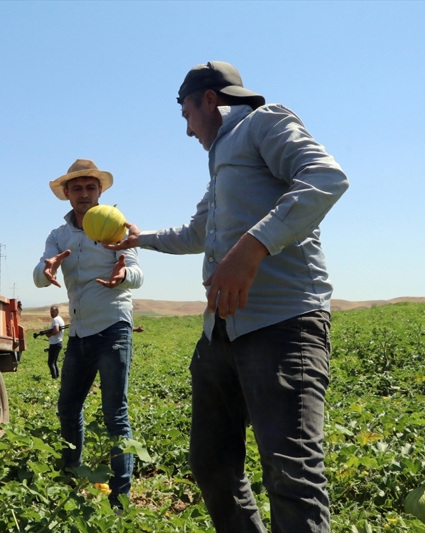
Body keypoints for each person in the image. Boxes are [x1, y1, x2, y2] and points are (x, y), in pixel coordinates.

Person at [105, 61, 349, 531]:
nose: (187, 130)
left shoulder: (265, 121)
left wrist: (253, 247)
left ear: (208, 100)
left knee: (292, 475)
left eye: (185, 115)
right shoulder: (220, 161)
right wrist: (141, 239)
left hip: (284, 325)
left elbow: (326, 177)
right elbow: (199, 230)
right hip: (221, 331)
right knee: (212, 463)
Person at [33, 158, 143, 510]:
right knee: (68, 407)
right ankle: (71, 474)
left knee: (116, 414)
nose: (84, 194)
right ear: (66, 193)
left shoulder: (116, 228)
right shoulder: (58, 236)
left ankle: (121, 497)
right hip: (79, 332)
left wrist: (123, 275)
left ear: (100, 191)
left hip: (113, 327)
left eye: (90, 187)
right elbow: (39, 274)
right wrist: (46, 268)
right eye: (77, 188)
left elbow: (138, 274)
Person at [44, 305, 65, 379]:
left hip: (55, 343)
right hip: (58, 342)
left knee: (50, 362)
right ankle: (57, 375)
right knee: (54, 362)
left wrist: (49, 335)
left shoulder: (56, 320)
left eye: (53, 312)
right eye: (50, 312)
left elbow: (56, 330)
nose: (51, 313)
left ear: (57, 311)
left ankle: (54, 377)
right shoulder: (60, 319)